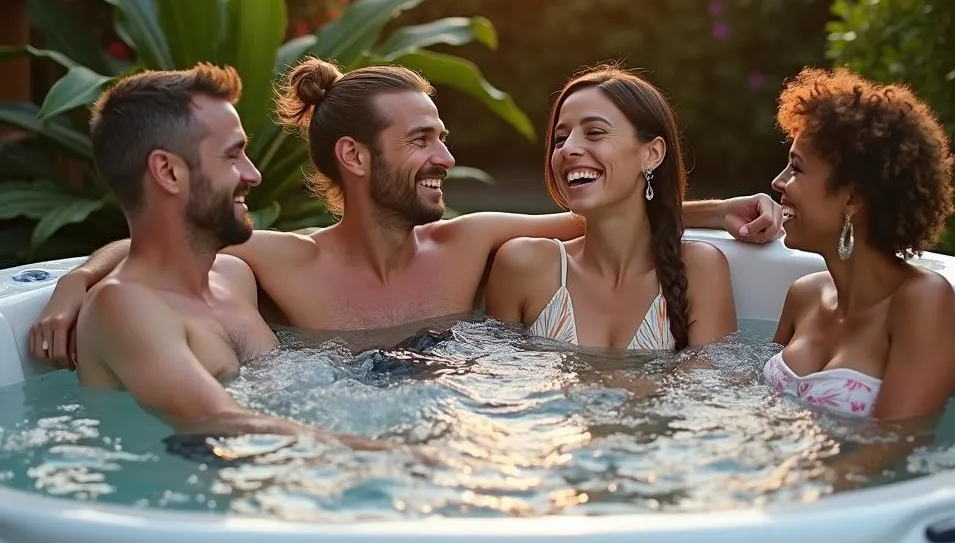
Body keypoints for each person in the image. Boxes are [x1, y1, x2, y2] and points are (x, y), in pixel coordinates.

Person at [31, 58, 782, 366]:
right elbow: (161, 244)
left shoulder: (467, 243)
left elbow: (605, 217)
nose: (447, 160)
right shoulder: (283, 260)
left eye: (443, 138)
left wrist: (720, 209)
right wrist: (74, 283)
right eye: (423, 140)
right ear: (356, 158)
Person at [67, 62, 379, 448]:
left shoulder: (233, 277)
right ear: (168, 171)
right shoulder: (123, 305)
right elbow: (226, 423)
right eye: (233, 156)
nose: (253, 175)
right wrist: (412, 463)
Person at [765, 67, 955, 421]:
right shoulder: (805, 294)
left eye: (796, 169)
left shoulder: (923, 302)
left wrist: (791, 479)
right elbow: (757, 408)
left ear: (853, 199)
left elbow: (894, 444)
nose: (778, 182)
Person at [485, 66, 736, 349]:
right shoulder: (524, 265)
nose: (568, 149)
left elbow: (711, 390)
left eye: (594, 133)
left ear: (651, 154)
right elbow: (494, 386)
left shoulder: (700, 269)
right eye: (560, 138)